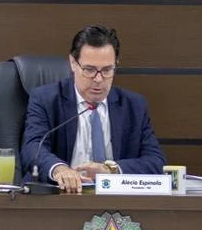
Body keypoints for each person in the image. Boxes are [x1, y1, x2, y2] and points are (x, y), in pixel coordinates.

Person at [21, 25, 165, 194]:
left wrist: (110, 170)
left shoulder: (133, 106)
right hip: (62, 197)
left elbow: (156, 161)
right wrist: (60, 169)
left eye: (107, 70)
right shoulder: (46, 99)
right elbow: (32, 148)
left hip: (116, 201)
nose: (98, 79)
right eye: (89, 70)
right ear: (73, 63)